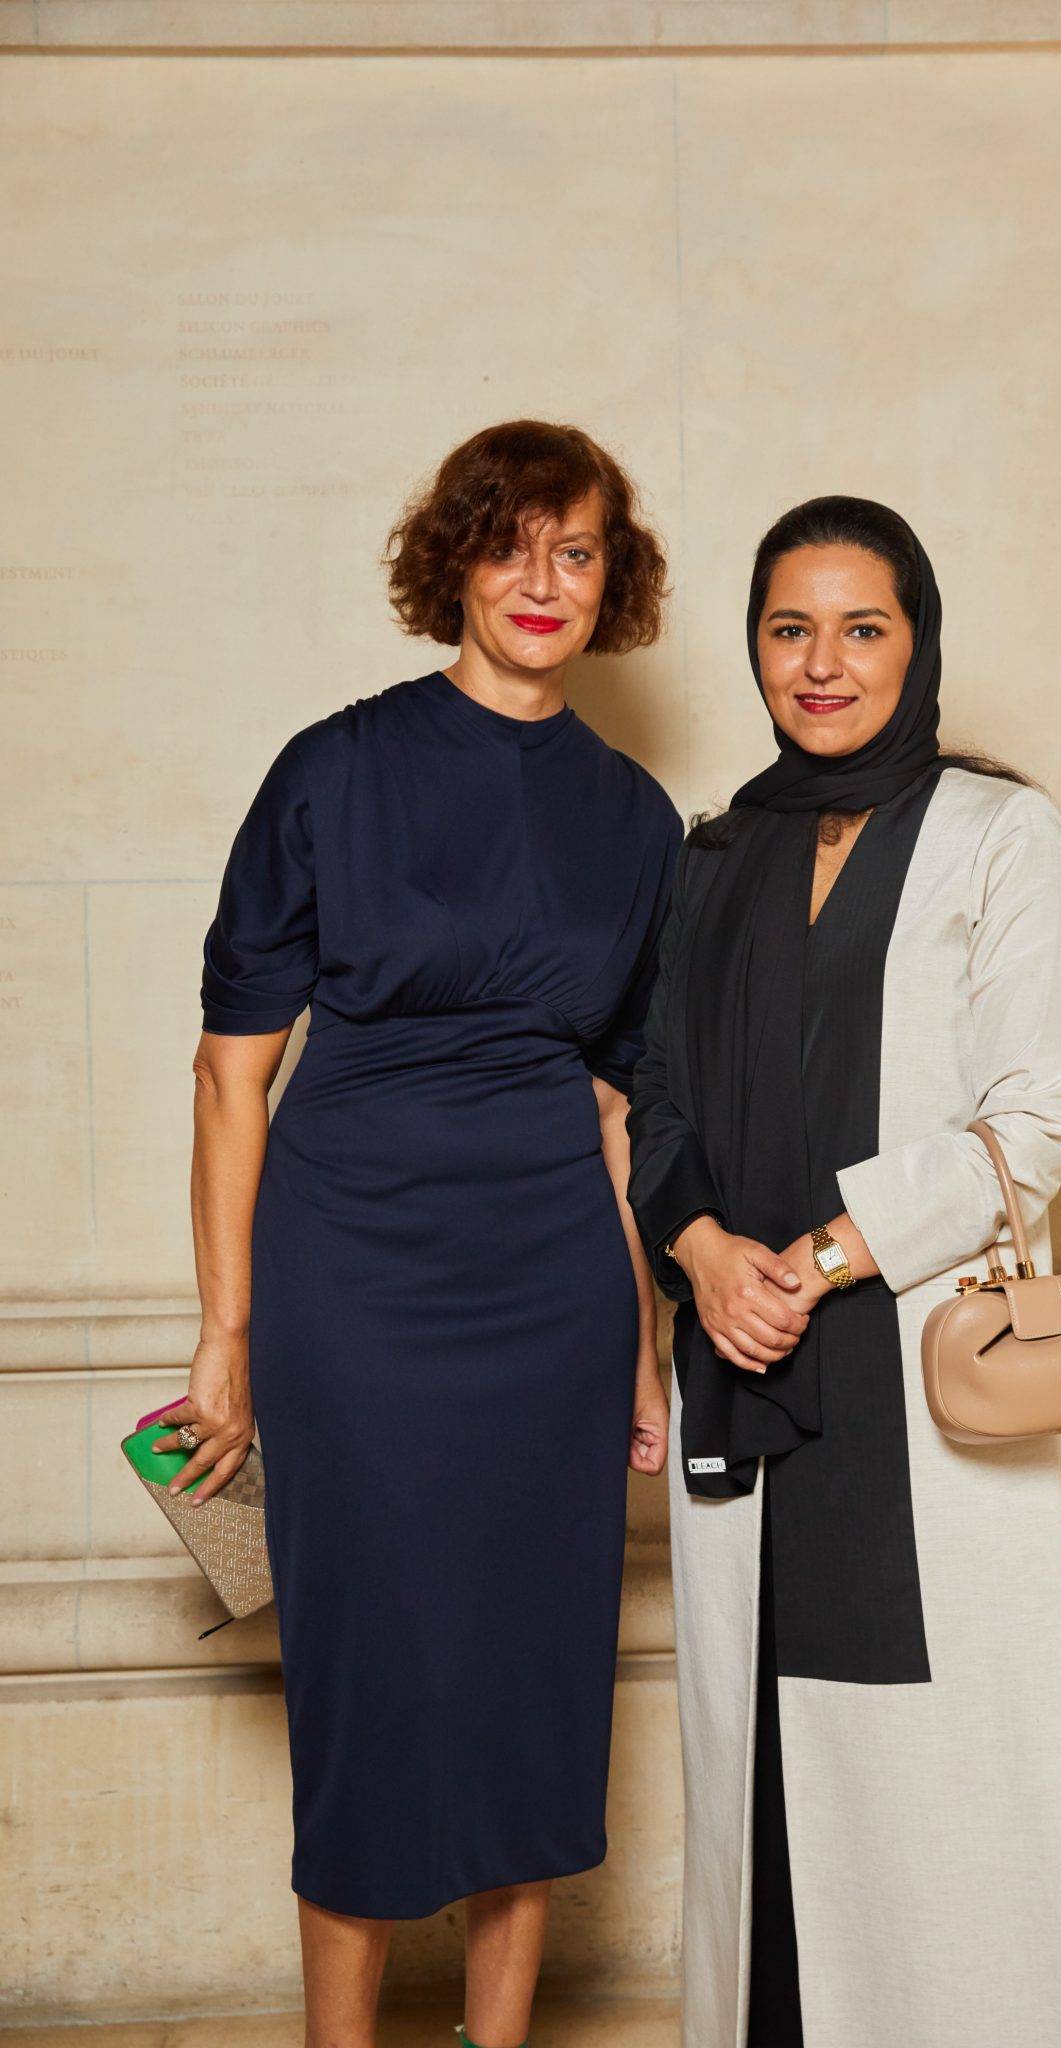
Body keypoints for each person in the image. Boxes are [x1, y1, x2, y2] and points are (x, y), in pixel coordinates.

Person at [154, 420, 682, 2048]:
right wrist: (226, 1331)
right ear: (451, 560)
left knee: (536, 1683)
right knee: (374, 1688)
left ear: (613, 583)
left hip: (553, 1299)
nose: (541, 580)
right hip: (352, 1283)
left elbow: (622, 1113)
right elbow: (230, 1079)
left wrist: (647, 1352)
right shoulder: (334, 768)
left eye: (576, 550)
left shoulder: (637, 819)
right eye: (510, 542)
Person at [627, 495, 1061, 2047]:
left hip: (908, 1371)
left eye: (863, 627)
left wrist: (826, 1258)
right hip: (737, 1346)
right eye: (791, 629)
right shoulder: (715, 852)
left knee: (943, 1783)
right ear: (755, 651)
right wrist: (708, 1254)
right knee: (760, 1770)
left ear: (916, 643)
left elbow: (1032, 1118)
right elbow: (653, 1099)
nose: (824, 663)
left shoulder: (1000, 835)